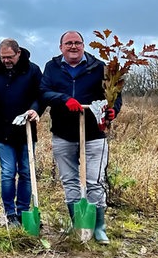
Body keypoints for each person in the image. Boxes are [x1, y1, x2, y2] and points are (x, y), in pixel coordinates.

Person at [40, 30, 120, 244]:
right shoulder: (52, 67)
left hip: (94, 134)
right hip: (64, 134)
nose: (73, 47)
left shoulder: (99, 67)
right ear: (61, 47)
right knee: (70, 182)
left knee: (95, 181)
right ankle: (80, 226)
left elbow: (114, 94)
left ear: (84, 46)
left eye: (77, 43)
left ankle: (99, 227)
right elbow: (44, 92)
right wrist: (64, 99)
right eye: (68, 43)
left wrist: (113, 110)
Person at [0, 38, 44, 227]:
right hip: (1, 129)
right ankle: (10, 214)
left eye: (9, 57)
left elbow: (41, 95)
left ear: (18, 53)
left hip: (26, 130)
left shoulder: (33, 71)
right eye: (3, 57)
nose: (5, 60)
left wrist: (35, 109)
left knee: (26, 173)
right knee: (8, 173)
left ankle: (23, 212)